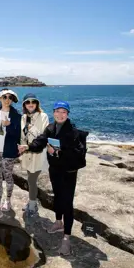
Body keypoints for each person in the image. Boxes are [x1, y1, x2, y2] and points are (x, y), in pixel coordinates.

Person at [18, 101, 85, 256]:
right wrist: (28, 146)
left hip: (68, 172)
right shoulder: (51, 128)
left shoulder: (73, 132)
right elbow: (41, 140)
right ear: (54, 113)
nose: (60, 115)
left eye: (64, 112)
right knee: (57, 198)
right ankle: (58, 222)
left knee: (67, 203)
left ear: (67, 114)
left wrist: (56, 152)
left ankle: (66, 238)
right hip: (55, 170)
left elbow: (76, 153)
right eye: (57, 111)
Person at [0, 88, 22, 224]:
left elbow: (18, 135)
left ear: (12, 100)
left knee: (7, 177)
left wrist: (11, 125)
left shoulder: (17, 115)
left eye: (10, 97)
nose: (7, 99)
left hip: (8, 152)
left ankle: (7, 200)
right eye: (4, 97)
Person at [19, 93, 49, 218]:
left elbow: (44, 136)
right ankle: (32, 201)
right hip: (27, 154)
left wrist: (32, 128)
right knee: (30, 180)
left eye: (33, 101)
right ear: (24, 105)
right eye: (27, 102)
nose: (30, 104)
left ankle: (32, 205)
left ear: (37, 104)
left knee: (32, 180)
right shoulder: (23, 117)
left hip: (38, 153)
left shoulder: (43, 116)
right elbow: (22, 136)